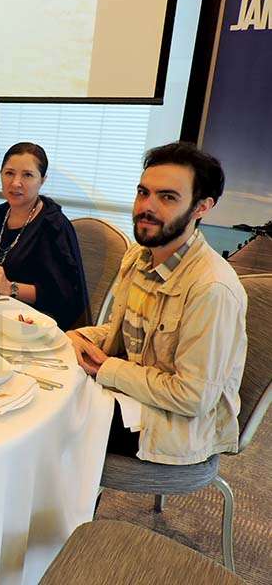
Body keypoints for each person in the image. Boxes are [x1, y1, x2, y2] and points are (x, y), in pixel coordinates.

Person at [68, 142, 247, 465]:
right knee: (44, 391)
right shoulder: (140, 256)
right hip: (133, 392)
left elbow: (192, 397)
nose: (146, 207)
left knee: (56, 426)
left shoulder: (212, 288)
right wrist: (81, 338)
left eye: (167, 197)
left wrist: (108, 368)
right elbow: (128, 333)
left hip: (173, 424)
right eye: (143, 192)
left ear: (201, 207)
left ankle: (64, 516)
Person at [0, 142, 89, 330]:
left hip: (36, 324)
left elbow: (63, 297)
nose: (16, 183)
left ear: (42, 180)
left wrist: (10, 287)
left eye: (27, 175)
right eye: (9, 173)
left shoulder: (54, 226)